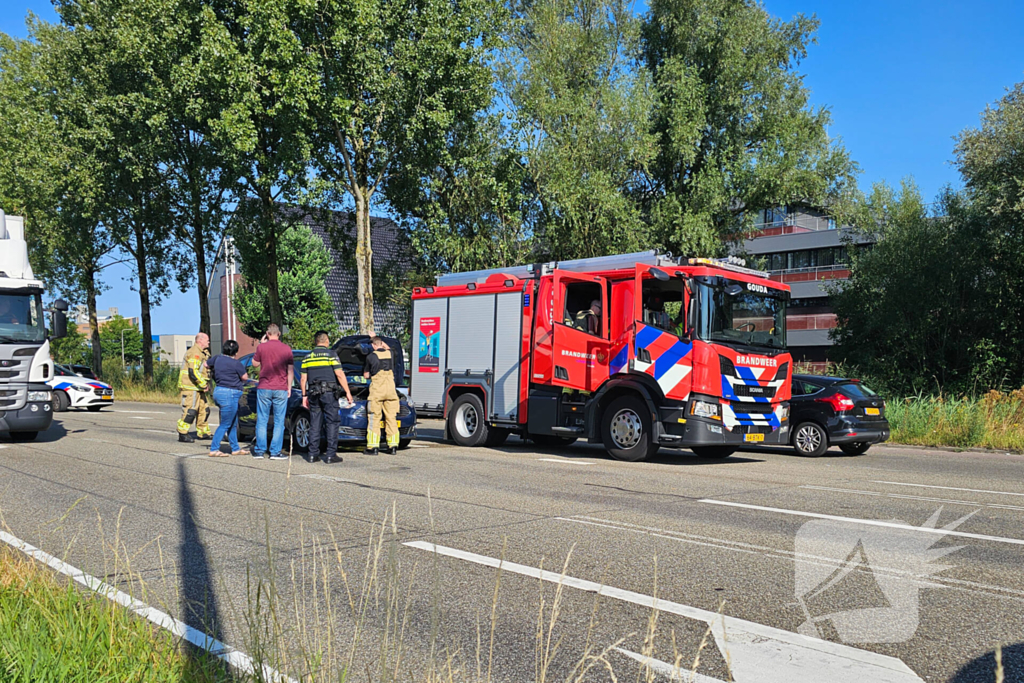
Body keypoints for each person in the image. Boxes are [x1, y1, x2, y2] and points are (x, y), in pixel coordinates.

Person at [300, 331, 354, 464]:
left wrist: (304, 396)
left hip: (313, 393)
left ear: (316, 341)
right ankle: (330, 455)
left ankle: (312, 454)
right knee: (332, 422)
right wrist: (347, 392)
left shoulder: (307, 357)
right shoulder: (331, 355)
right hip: (329, 393)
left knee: (315, 423)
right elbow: (340, 374)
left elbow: (303, 379)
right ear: (326, 341)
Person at [250, 324, 293, 460]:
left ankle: (259, 450)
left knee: (262, 420)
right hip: (280, 387)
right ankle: (275, 452)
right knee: (279, 421)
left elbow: (254, 364)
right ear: (279, 334)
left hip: (264, 387)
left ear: (267, 334)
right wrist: (289, 387)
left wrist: (261, 345)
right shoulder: (286, 349)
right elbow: (290, 370)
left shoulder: (262, 347)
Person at [205, 339, 249, 457]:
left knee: (233, 422)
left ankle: (235, 448)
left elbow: (205, 364)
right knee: (225, 423)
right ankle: (214, 449)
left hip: (219, 391)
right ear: (236, 351)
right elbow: (245, 377)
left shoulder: (217, 359)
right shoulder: (236, 364)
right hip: (230, 394)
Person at [363, 336, 400, 455]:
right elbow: (387, 347)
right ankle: (393, 446)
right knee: (391, 418)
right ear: (381, 343)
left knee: (374, 418)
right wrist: (377, 338)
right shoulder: (390, 354)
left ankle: (373, 447)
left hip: (377, 391)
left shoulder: (371, 357)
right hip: (391, 390)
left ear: (373, 345)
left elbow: (366, 375)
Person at [176, 333, 212, 443]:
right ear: (200, 341)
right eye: (207, 340)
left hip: (198, 388)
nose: (208, 342)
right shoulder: (194, 353)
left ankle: (203, 432)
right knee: (190, 411)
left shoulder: (203, 353)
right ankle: (182, 433)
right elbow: (193, 372)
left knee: (204, 410)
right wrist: (203, 384)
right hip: (191, 387)